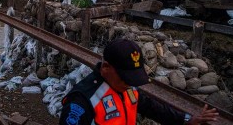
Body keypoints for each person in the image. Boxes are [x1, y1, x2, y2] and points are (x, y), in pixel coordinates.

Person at [59, 38, 219, 125]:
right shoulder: (82, 101)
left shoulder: (126, 89)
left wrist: (186, 119)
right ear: (106, 67)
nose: (130, 84)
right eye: (125, 77)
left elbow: (152, 107)